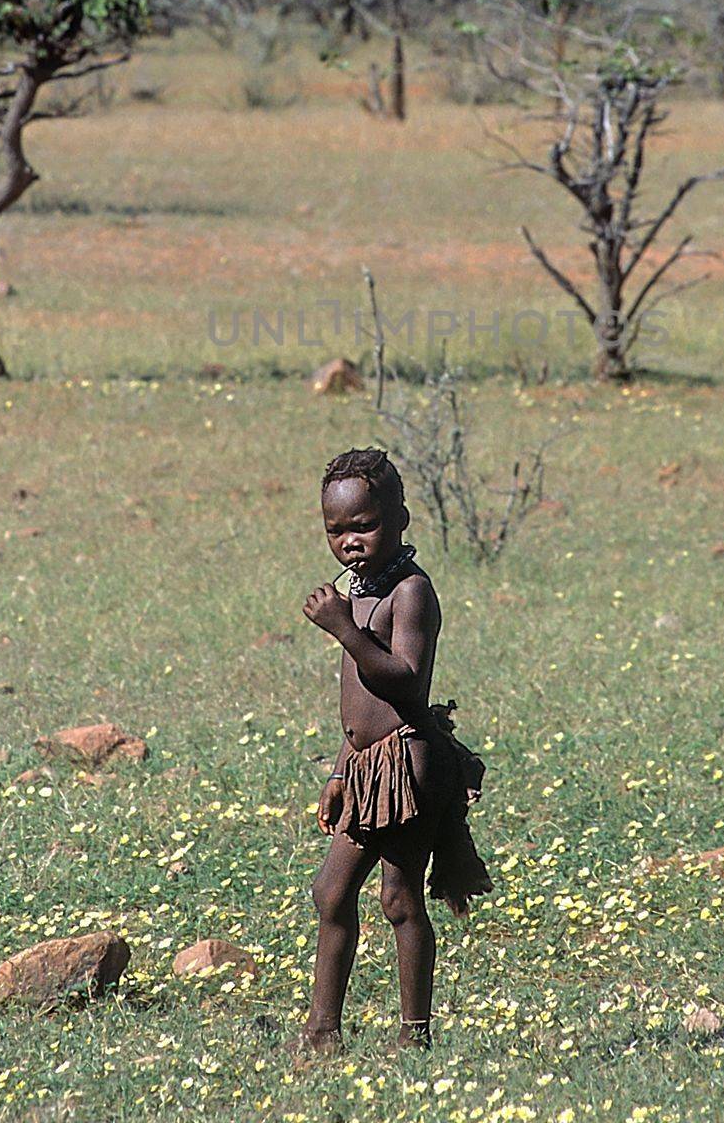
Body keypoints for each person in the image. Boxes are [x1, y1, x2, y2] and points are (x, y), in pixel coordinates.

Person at [300, 447, 492, 1052]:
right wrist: (339, 771)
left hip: (409, 763)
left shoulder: (410, 593)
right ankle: (322, 1030)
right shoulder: (354, 591)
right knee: (331, 892)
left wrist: (345, 629)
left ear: (401, 518)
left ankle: (415, 1035)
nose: (350, 541)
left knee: (399, 897)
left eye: (365, 525)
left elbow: (404, 680)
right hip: (365, 765)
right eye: (336, 530)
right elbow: (356, 702)